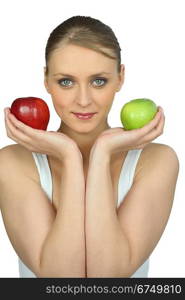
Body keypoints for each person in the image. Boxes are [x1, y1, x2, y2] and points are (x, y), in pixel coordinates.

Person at [0, 15, 179, 278]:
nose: (83, 100)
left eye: (98, 81)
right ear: (46, 80)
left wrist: (102, 153)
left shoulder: (158, 161)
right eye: (66, 82)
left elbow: (108, 279)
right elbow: (61, 281)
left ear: (120, 78)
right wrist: (70, 156)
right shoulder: (12, 162)